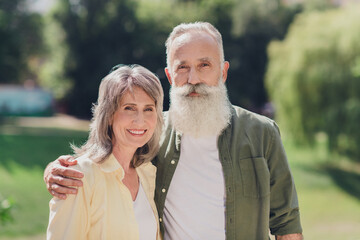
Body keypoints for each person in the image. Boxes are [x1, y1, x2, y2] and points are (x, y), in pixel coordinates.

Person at [44, 22, 303, 240]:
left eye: (204, 65)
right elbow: (107, 155)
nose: (193, 79)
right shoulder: (151, 132)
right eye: (183, 67)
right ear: (170, 76)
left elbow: (286, 224)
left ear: (223, 71)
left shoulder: (263, 132)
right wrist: (57, 170)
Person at [46, 65, 163, 240]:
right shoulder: (79, 176)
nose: (140, 120)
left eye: (148, 109)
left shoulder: (148, 173)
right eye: (129, 108)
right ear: (109, 115)